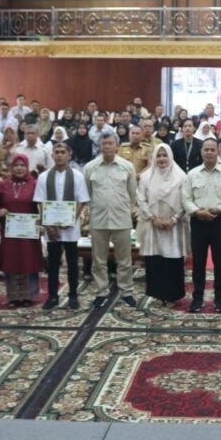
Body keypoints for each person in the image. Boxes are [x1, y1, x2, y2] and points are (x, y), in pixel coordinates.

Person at [182, 137, 221, 313]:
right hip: (198, 222)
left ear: (217, 151)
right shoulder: (192, 174)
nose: (209, 152)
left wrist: (217, 210)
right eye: (206, 149)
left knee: (219, 262)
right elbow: (185, 199)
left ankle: (219, 299)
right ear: (201, 152)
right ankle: (197, 298)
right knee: (198, 262)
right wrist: (199, 212)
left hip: (218, 222)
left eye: (212, 149)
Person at [84, 132, 138, 310]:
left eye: (110, 143)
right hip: (98, 219)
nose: (107, 146)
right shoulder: (90, 168)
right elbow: (88, 194)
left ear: (117, 146)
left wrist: (126, 209)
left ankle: (127, 292)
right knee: (98, 260)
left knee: (124, 259)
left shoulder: (127, 167)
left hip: (121, 218)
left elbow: (132, 194)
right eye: (104, 143)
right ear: (100, 146)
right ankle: (101, 292)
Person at [35, 143, 90, 310]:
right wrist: (49, 225)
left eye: (62, 152)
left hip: (70, 227)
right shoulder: (44, 177)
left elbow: (82, 200)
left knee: (73, 263)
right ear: (52, 155)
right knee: (53, 263)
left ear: (69, 155)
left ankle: (73, 295)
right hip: (51, 228)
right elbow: (41, 202)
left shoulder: (77, 176)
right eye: (56, 152)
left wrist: (71, 219)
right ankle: (53, 296)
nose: (59, 155)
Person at [137, 143, 189, 306]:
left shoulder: (181, 177)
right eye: (158, 156)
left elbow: (185, 201)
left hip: (174, 226)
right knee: (156, 260)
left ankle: (173, 295)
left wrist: (173, 219)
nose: (162, 159)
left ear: (170, 156)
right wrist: (153, 219)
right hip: (154, 225)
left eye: (164, 155)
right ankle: (158, 294)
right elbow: (141, 199)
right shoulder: (146, 177)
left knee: (172, 260)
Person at [0, 154, 44, 307]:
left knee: (28, 259)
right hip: (10, 232)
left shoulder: (34, 184)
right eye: (16, 165)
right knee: (12, 260)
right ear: (11, 168)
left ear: (27, 167)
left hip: (28, 231)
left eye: (22, 165)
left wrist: (41, 219)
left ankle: (28, 296)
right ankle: (13, 296)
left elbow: (41, 205)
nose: (19, 168)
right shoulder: (4, 185)